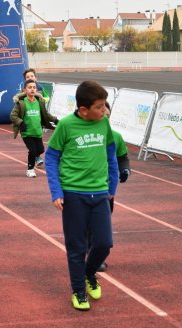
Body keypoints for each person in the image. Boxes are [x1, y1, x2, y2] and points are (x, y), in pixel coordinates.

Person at [44, 80, 118, 311]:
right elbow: (51, 157)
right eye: (99, 107)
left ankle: (89, 273)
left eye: (105, 105)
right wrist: (56, 191)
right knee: (76, 247)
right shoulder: (66, 125)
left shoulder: (104, 124)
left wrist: (112, 188)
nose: (104, 111)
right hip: (74, 194)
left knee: (104, 243)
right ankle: (79, 291)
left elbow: (110, 155)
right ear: (83, 110)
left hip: (100, 194)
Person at [96, 102, 131, 272]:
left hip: (107, 190)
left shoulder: (116, 137)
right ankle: (91, 255)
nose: (106, 119)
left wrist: (125, 170)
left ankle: (99, 257)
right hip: (85, 187)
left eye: (108, 116)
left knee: (103, 224)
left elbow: (123, 157)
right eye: (103, 115)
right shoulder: (86, 135)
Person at [10, 79, 58, 178]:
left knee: (40, 150)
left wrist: (55, 120)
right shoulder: (21, 103)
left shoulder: (39, 102)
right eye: (30, 87)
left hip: (38, 131)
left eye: (34, 87)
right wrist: (21, 122)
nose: (32, 89)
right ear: (24, 90)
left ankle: (35, 157)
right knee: (32, 150)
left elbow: (46, 114)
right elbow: (13, 115)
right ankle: (30, 169)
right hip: (27, 133)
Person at [20, 68, 50, 167]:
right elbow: (18, 102)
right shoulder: (24, 91)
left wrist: (42, 99)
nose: (30, 78)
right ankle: (36, 158)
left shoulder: (40, 88)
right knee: (32, 147)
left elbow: (47, 97)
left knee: (40, 147)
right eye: (27, 77)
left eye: (32, 76)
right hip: (28, 120)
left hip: (39, 116)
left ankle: (37, 154)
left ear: (35, 77)